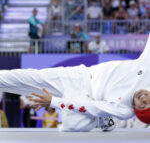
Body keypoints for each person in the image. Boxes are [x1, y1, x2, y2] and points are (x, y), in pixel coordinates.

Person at [0, 35, 150, 131]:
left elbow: (90, 107)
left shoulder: (124, 110)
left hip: (86, 99)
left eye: (143, 107)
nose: (144, 100)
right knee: (27, 77)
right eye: (149, 102)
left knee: (73, 125)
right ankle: (102, 120)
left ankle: (100, 120)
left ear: (136, 111)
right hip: (80, 77)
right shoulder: (147, 68)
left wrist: (54, 101)